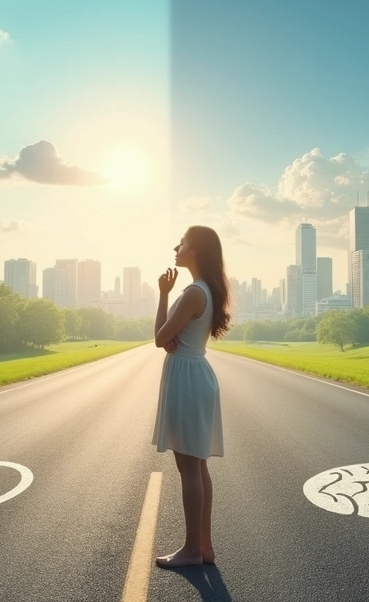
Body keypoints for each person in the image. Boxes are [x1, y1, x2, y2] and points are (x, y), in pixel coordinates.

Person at [152, 225, 231, 568]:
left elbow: (159, 338)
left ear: (195, 250)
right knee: (197, 464)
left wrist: (163, 294)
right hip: (194, 371)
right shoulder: (204, 290)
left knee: (189, 466)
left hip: (186, 376)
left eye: (182, 242)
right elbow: (168, 335)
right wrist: (171, 331)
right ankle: (204, 546)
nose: (176, 246)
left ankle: (191, 551)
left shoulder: (192, 293)